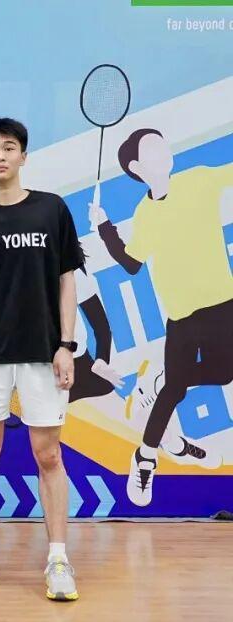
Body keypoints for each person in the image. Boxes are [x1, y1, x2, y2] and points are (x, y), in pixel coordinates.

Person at [0, 118, 83, 601]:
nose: (1, 155)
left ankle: (58, 559)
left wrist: (66, 345)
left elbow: (67, 280)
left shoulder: (51, 209)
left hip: (42, 353)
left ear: (23, 156)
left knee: (48, 455)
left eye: (9, 147)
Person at [90, 128, 232, 505]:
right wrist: (104, 227)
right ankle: (145, 457)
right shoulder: (145, 214)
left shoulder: (198, 180)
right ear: (137, 167)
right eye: (152, 147)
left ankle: (164, 377)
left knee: (224, 372)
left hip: (223, 303)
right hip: (182, 315)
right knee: (175, 389)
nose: (163, 149)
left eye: (162, 143)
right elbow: (132, 263)